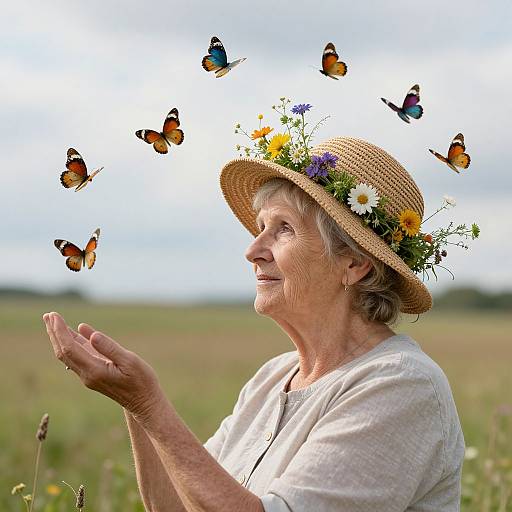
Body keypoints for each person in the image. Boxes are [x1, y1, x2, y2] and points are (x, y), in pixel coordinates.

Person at [43, 136, 466, 511]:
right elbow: (178, 505)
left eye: (283, 230)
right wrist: (132, 405)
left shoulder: (402, 386)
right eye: (261, 227)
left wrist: (150, 405)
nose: (253, 250)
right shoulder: (273, 377)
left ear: (354, 263)